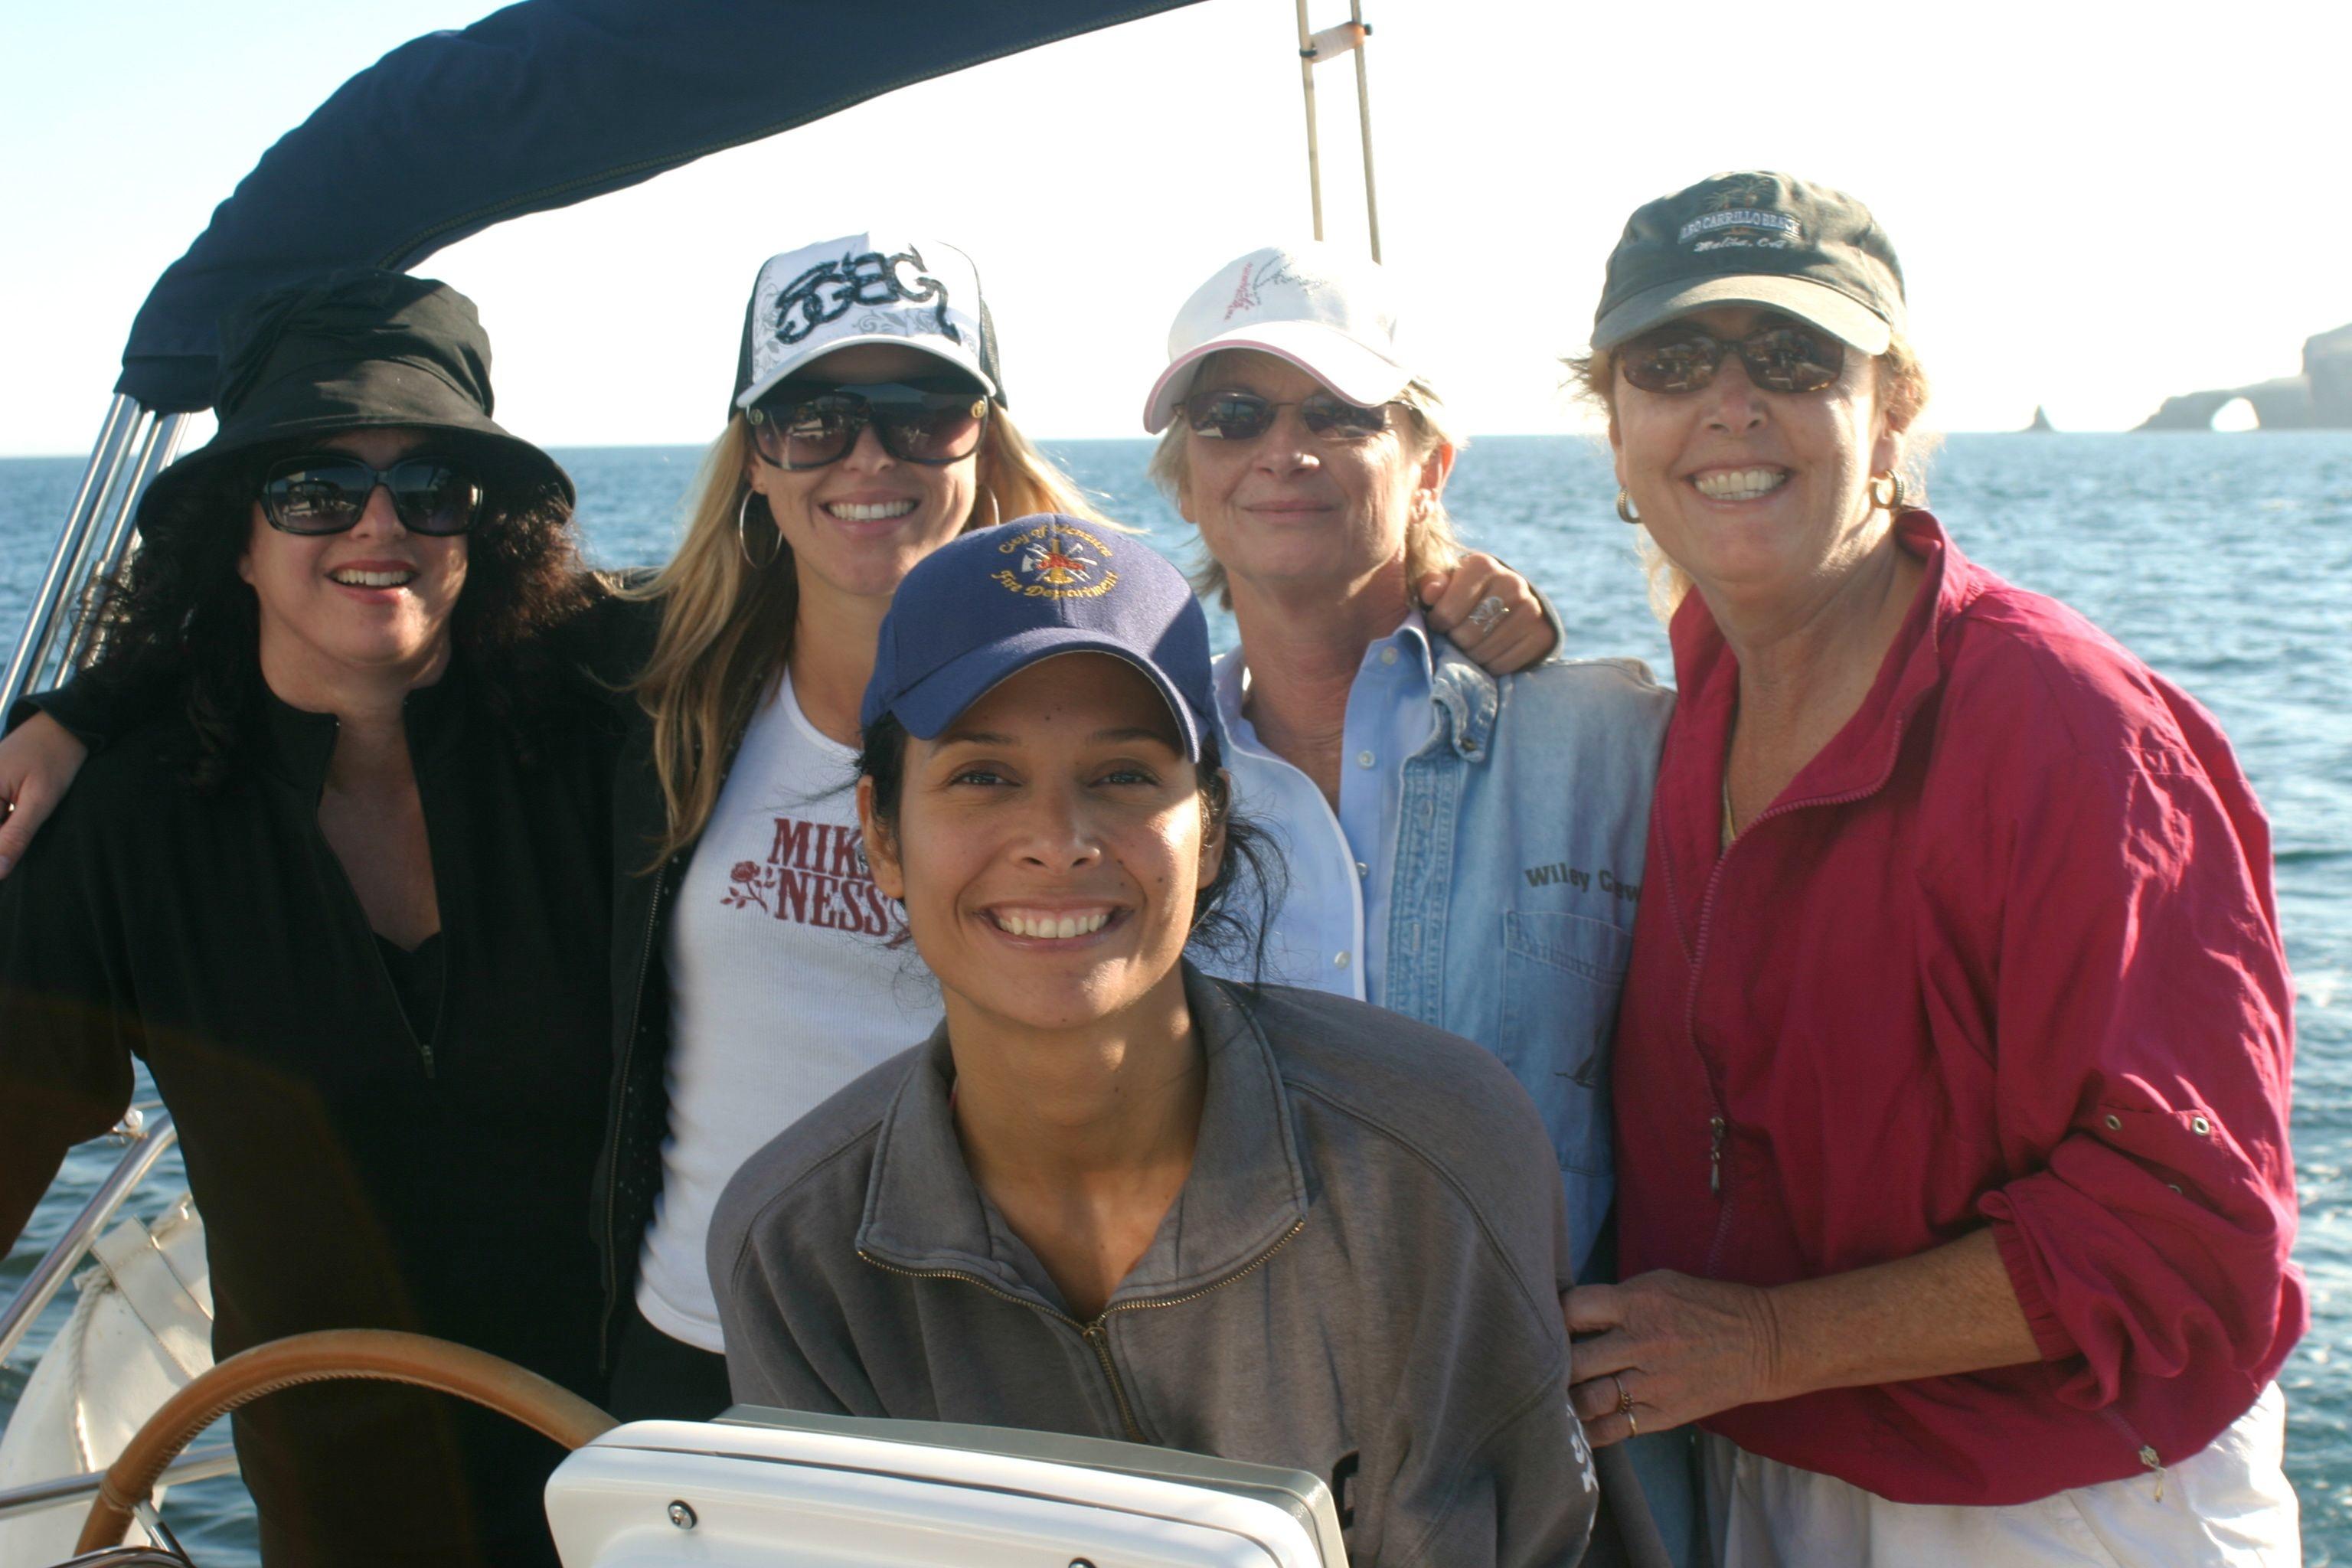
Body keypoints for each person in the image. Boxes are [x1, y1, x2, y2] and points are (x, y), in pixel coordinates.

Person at [0, 234, 1563, 1424]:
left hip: (1005, 1359)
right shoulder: (658, 683)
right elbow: (345, 636)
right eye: (813, 419)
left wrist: (1438, 578)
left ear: (983, 432)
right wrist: (86, 707)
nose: (867, 458)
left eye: (916, 410)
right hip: (680, 1361)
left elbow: (1288, 649)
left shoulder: (1102, 686)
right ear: (755, 451)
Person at [1559, 172, 2305, 1563]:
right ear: (1616, 424)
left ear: (1891, 407)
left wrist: (1767, 1338)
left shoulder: (2065, 726)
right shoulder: (1691, 709)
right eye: (1670, 365)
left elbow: (2189, 1232)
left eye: (1792, 358)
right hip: (1772, 1454)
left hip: (2054, 1500)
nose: (1731, 403)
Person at [710, 519, 1609, 1568]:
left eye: (1127, 776)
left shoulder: (1432, 1157)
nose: (1059, 838)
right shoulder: (799, 1250)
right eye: (983, 778)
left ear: (1215, 824)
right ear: (881, 834)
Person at [0, 270, 618, 1566]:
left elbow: (823, 622)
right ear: (238, 534)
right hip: (347, 1522)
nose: (377, 526)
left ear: (482, 528)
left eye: (429, 487)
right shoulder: (129, 821)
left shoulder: (609, 743)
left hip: (648, 1495)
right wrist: (84, 715)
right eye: (314, 491)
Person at [1141, 244, 1691, 1553]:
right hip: (1225, 1478)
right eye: (1235, 415)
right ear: (1189, 479)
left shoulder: (1615, 746)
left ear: (1430, 463)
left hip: (1562, 1480)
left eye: (1340, 413)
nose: (1285, 449)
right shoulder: (1137, 787)